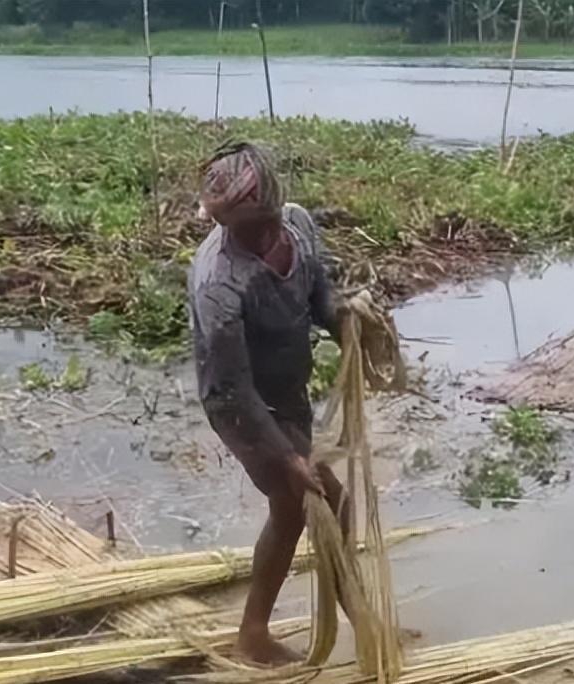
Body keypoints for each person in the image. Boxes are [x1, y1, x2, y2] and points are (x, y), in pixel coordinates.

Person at [189, 141, 348, 665]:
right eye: (245, 229)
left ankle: (359, 613)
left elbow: (320, 297)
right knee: (295, 500)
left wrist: (351, 327)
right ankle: (253, 635)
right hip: (238, 402)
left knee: (334, 504)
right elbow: (233, 386)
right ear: (225, 224)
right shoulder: (220, 283)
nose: (260, 237)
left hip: (286, 388)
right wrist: (286, 456)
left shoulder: (297, 226)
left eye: (264, 224)